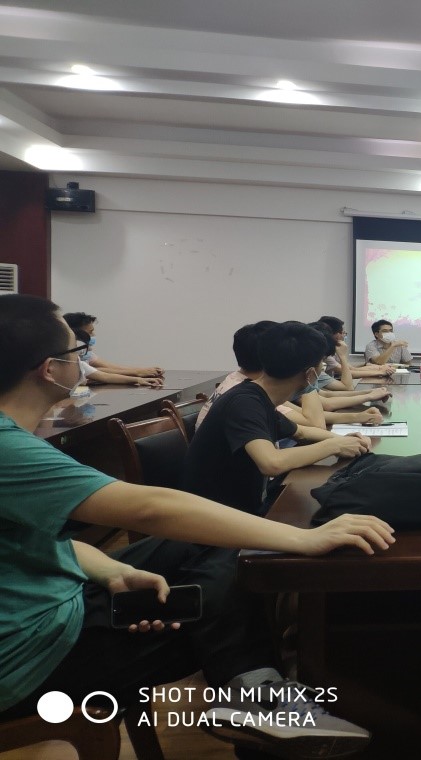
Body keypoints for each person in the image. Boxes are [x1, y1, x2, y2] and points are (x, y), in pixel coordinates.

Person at [0, 295, 394, 759]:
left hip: (50, 597)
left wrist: (112, 571)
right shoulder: (9, 448)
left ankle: (257, 693)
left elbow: (41, 544)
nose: (85, 360)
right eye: (77, 351)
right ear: (51, 370)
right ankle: (268, 699)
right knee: (230, 597)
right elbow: (147, 508)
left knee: (225, 554)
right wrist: (305, 537)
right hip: (29, 654)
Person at [182, 321, 373, 516]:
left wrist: (346, 440)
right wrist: (334, 446)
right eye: (321, 365)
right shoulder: (244, 402)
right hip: (216, 520)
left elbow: (301, 432)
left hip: (240, 510)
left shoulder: (257, 397)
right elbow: (272, 463)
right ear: (310, 374)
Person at [196, 322, 388, 430]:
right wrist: (309, 375)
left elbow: (304, 422)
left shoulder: (248, 384)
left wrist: (358, 416)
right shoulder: (248, 396)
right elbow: (314, 425)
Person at [62, 311, 164, 378]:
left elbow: (110, 367)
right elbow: (94, 372)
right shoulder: (66, 354)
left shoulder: (86, 353)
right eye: (90, 332)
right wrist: (137, 373)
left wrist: (143, 370)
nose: (93, 335)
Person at [317, 316, 392, 378]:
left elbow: (350, 368)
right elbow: (349, 372)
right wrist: (380, 371)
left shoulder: (333, 349)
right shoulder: (325, 353)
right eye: (343, 333)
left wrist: (373, 367)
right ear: (333, 334)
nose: (344, 336)